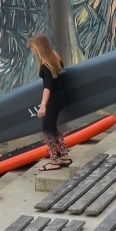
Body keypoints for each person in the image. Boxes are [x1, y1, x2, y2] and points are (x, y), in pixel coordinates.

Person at [29, 35, 70, 170]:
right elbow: (62, 69)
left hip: (53, 99)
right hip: (61, 96)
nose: (32, 50)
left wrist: (43, 106)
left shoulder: (46, 64)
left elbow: (47, 87)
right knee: (52, 128)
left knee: (46, 129)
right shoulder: (54, 55)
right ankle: (64, 156)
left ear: (39, 48)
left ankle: (54, 161)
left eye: (33, 47)